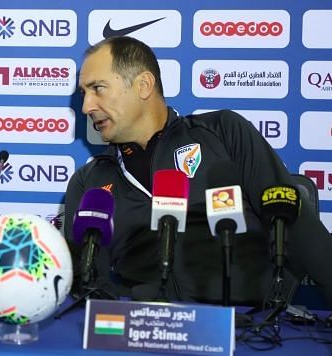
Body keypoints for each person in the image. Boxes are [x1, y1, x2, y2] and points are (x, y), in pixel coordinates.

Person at [65, 35, 332, 306]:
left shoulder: (224, 133)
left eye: (98, 88)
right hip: (148, 332)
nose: (87, 106)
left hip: (250, 331)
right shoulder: (90, 182)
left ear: (143, 85)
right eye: (83, 94)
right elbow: (88, 284)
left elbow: (302, 232)